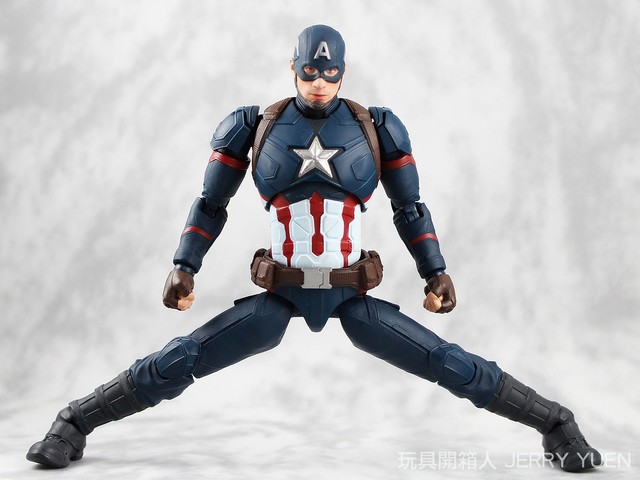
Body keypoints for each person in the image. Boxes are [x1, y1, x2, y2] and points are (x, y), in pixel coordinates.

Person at [27, 24, 601, 473]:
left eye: (329, 73)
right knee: (181, 359)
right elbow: (210, 204)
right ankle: (74, 421)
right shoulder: (254, 126)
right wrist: (184, 265)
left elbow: (410, 208)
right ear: (293, 69)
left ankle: (555, 423)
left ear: (343, 72)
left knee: (448, 364)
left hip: (352, 296)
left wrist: (436, 271)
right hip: (280, 294)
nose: (319, 83)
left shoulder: (377, 127)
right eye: (309, 72)